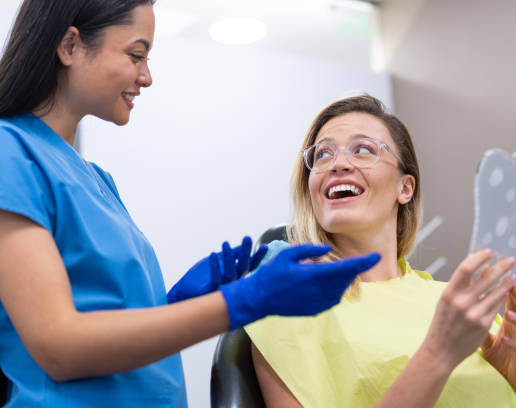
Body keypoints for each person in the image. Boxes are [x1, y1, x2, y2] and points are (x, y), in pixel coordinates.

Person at [0, 1, 381, 406]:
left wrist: (177, 302)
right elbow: (60, 347)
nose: (146, 77)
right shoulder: (10, 152)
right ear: (70, 46)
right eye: (135, 55)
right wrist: (243, 300)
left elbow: (108, 327)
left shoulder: (97, 181)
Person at [245, 95, 516, 407]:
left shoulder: (455, 305)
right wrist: (438, 353)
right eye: (322, 155)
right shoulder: (287, 307)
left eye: (363, 150)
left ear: (406, 188)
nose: (338, 164)